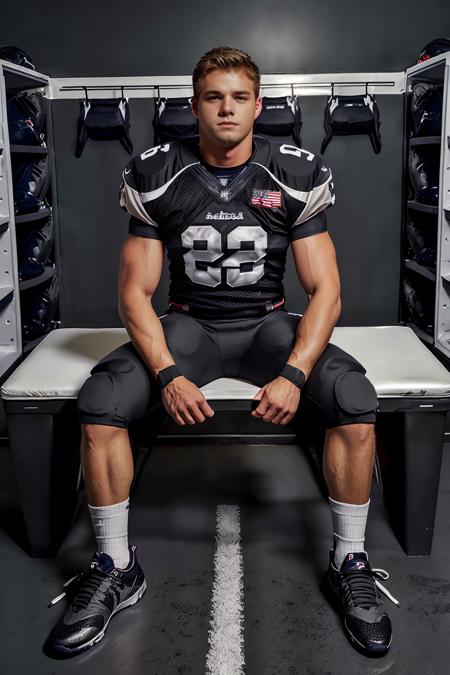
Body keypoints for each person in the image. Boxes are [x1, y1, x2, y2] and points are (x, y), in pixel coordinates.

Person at [46, 46, 394, 658]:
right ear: (194, 105)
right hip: (190, 327)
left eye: (239, 97)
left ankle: (349, 561)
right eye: (214, 97)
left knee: (353, 398)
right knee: (100, 400)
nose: (226, 109)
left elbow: (326, 291)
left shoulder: (293, 170)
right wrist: (169, 374)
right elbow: (134, 293)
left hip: (266, 325)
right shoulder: (157, 171)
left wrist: (292, 374)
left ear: (258, 106)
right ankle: (115, 565)